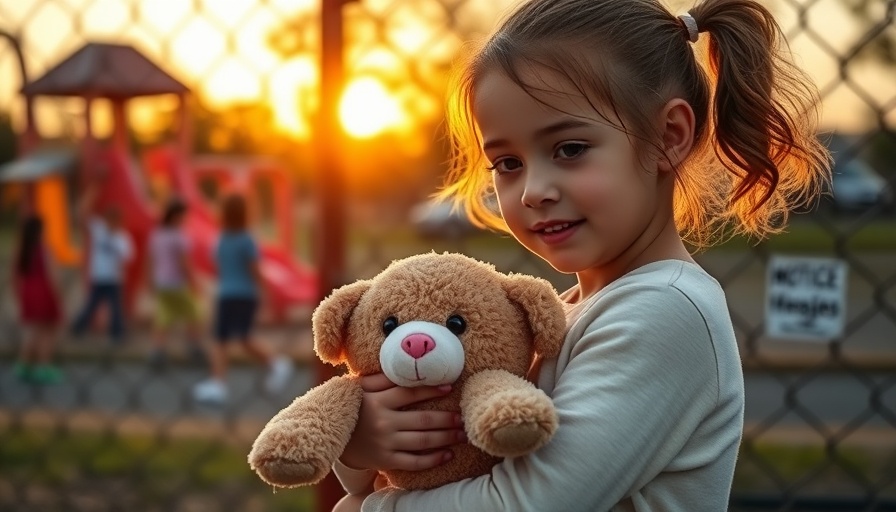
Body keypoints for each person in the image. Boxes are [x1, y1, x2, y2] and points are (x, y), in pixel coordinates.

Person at [332, 0, 831, 510]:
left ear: (668, 137)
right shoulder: (571, 309)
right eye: (507, 163)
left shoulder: (665, 311)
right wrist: (363, 445)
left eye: (569, 149)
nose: (533, 190)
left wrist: (370, 508)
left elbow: (537, 501)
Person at [192, 193, 293, 405]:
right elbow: (251, 270)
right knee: (233, 338)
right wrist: (265, 295)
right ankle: (222, 382)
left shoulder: (227, 239)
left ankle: (273, 364)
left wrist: (266, 295)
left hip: (234, 295)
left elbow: (250, 269)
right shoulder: (240, 239)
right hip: (238, 294)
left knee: (228, 339)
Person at [70, 178, 133, 344]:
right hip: (99, 275)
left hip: (114, 278)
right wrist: (95, 186)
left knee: (116, 308)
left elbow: (127, 258)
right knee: (92, 305)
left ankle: (117, 334)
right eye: (110, 219)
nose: (112, 223)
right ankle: (78, 327)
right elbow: (81, 212)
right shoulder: (99, 229)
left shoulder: (122, 238)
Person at [147, 197, 204, 369]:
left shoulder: (157, 235)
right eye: (183, 216)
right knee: (195, 312)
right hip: (177, 282)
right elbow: (184, 262)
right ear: (175, 216)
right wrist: (194, 282)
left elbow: (151, 260)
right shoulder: (179, 237)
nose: (185, 219)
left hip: (161, 282)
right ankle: (193, 346)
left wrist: (150, 281)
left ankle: (158, 351)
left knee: (164, 316)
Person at [12, 214, 64, 385]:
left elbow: (14, 276)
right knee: (47, 329)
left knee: (33, 329)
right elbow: (52, 275)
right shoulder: (44, 249)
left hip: (27, 290)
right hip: (43, 290)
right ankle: (44, 365)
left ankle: (24, 363)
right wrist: (58, 295)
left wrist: (18, 294)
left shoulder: (21, 250)